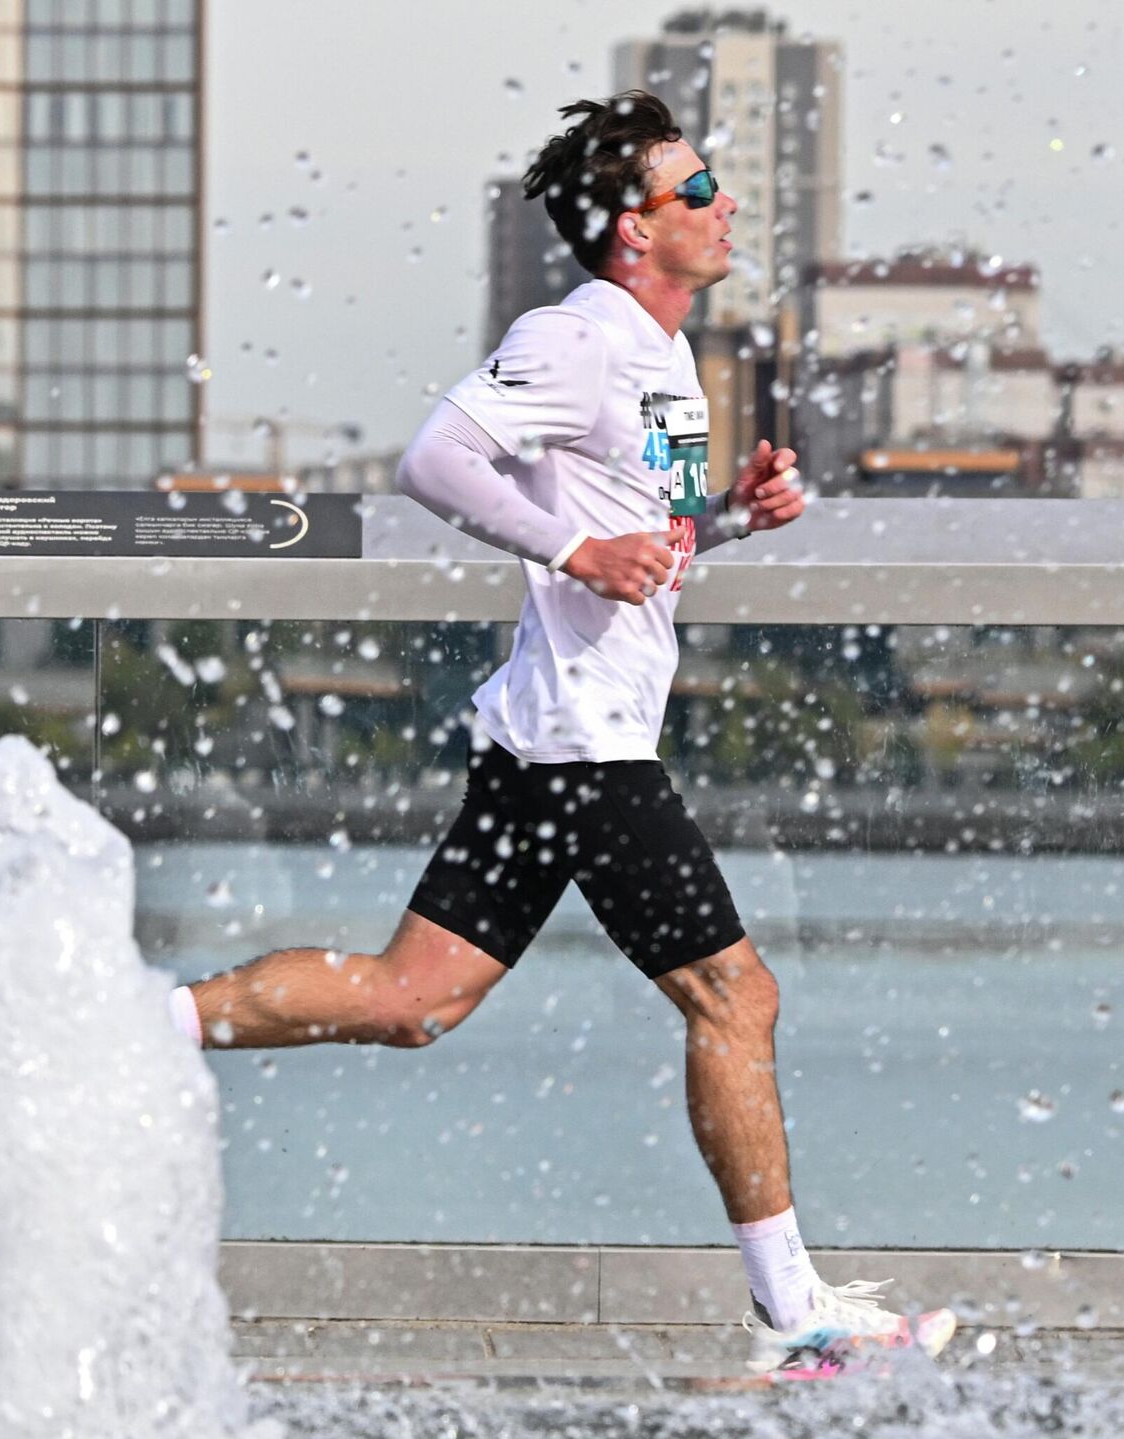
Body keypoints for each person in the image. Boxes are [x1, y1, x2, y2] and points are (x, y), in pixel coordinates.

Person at [169, 91, 954, 1377]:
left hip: (556, 737)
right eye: (696, 189)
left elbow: (647, 538)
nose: (725, 203)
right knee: (734, 992)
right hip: (586, 747)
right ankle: (796, 1311)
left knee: (412, 999)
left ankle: (141, 1025)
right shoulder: (577, 335)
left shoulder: (664, 360)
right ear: (634, 227)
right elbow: (436, 462)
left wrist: (731, 518)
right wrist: (577, 547)